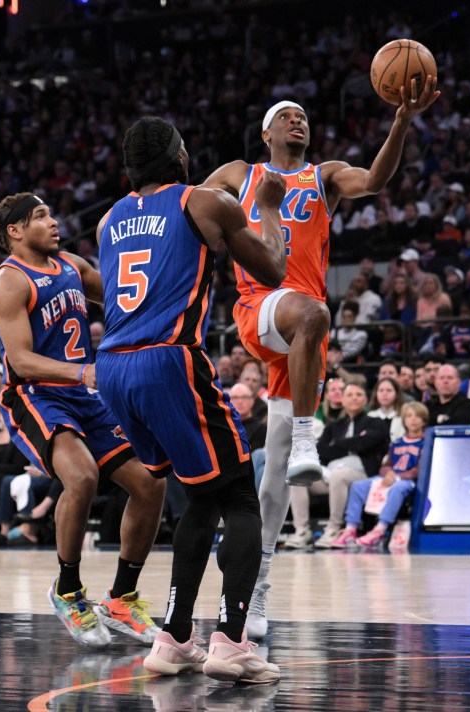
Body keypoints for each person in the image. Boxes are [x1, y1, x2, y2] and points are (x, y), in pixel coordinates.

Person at [202, 79, 439, 640]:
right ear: (265, 132)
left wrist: (402, 119)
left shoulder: (324, 175)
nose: (297, 121)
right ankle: (310, 433)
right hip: (261, 306)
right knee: (309, 313)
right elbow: (189, 206)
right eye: (286, 115)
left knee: (274, 487)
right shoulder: (242, 174)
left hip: (306, 338)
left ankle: (251, 594)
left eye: (303, 115)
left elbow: (377, 180)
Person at [93, 116, 287, 682]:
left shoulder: (108, 220)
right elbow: (272, 268)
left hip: (114, 369)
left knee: (200, 497)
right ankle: (231, 641)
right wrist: (270, 205)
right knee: (242, 499)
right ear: (180, 156)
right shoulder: (201, 202)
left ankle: (176, 638)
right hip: (169, 358)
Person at [0, 191, 167, 649]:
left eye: (51, 212)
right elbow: (23, 361)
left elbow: (125, 299)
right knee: (82, 476)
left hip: (84, 394)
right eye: (41, 215)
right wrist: (86, 371)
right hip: (36, 396)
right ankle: (68, 590)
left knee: (151, 483)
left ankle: (123, 598)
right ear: (15, 230)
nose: (54, 221)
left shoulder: (70, 264)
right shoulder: (8, 282)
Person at [290, 381, 390, 549]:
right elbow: (321, 451)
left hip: (361, 473)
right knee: (298, 475)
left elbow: (368, 444)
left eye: (359, 395)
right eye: (350, 395)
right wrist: (352, 444)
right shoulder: (333, 426)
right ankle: (302, 530)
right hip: (332, 473)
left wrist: (339, 444)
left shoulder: (376, 422)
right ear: (342, 400)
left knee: (339, 475)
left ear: (365, 400)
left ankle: (334, 528)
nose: (354, 398)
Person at [331, 401, 429, 548]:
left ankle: (380, 529)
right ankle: (351, 529)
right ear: (403, 420)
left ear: (424, 420)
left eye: (417, 416)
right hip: (391, 477)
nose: (413, 419)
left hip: (409, 481)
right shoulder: (397, 443)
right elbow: (385, 466)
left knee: (398, 488)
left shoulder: (426, 442)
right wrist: (389, 473)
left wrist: (397, 477)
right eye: (409, 416)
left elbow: (421, 469)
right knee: (358, 486)